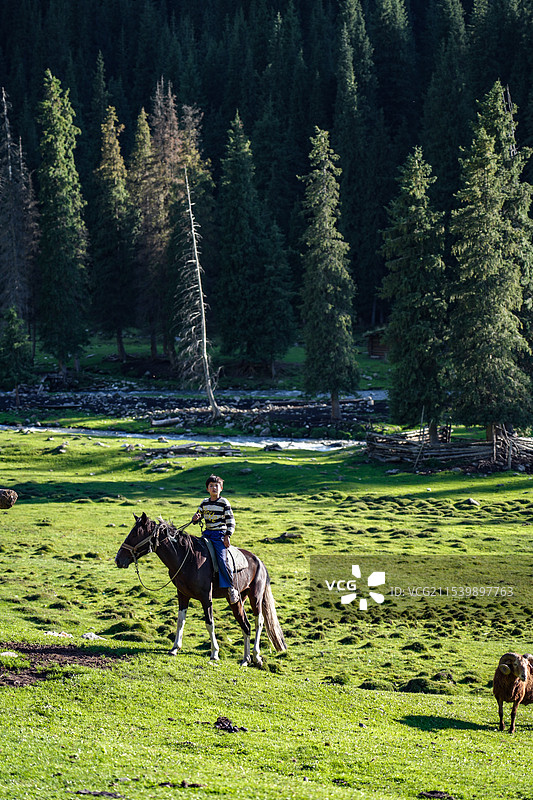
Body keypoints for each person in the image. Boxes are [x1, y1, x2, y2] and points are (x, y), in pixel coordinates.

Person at [192, 474, 240, 605]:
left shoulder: (224, 502)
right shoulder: (204, 503)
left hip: (219, 535)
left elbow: (231, 521)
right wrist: (195, 519)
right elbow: (198, 515)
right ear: (207, 489)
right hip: (207, 534)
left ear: (221, 488)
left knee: (222, 560)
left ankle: (231, 588)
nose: (214, 488)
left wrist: (227, 535)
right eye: (211, 486)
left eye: (216, 486)